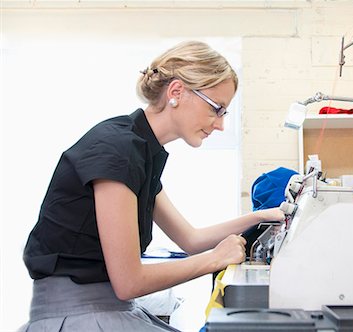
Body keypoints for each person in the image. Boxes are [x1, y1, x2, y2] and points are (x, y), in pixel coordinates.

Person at [20, 40, 285, 331]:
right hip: (78, 316)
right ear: (176, 92)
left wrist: (260, 216)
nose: (220, 124)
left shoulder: (141, 152)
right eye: (216, 109)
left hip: (109, 309)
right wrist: (215, 259)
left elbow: (190, 239)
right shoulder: (117, 149)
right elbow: (129, 282)